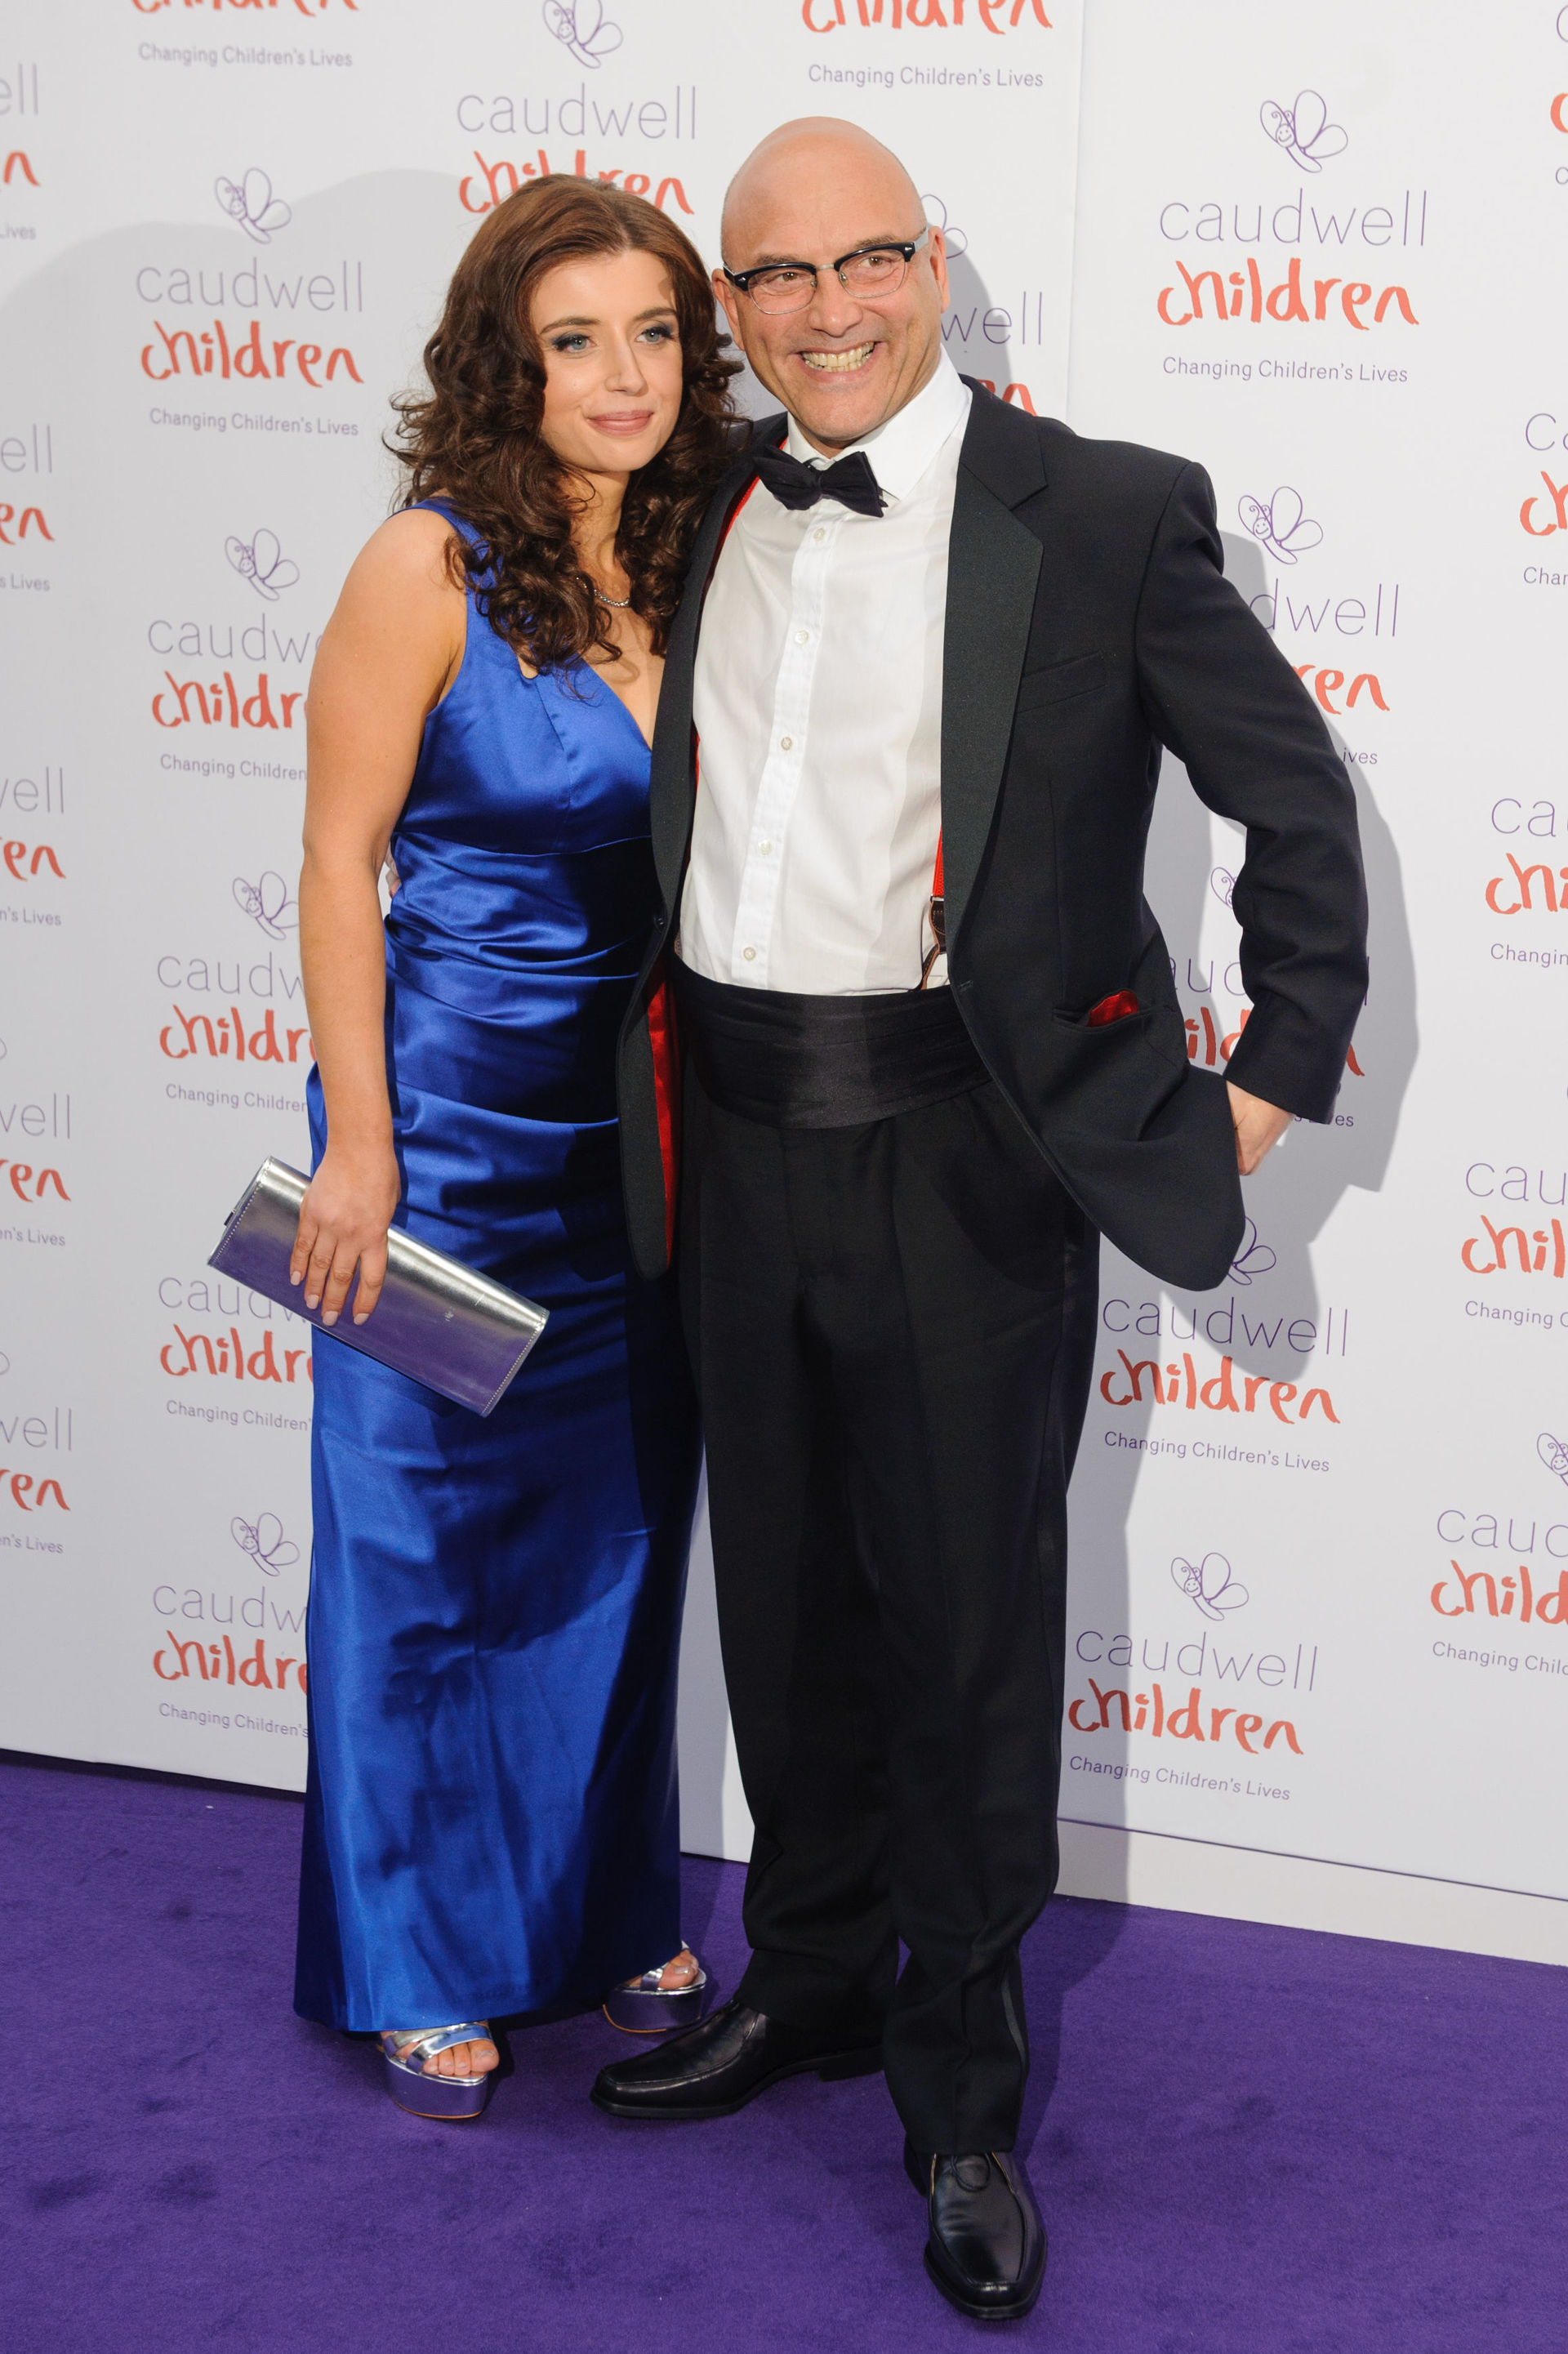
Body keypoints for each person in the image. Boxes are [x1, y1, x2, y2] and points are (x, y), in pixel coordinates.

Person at [591, 120, 1368, 2318]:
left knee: (963, 1622)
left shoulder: (1100, 508)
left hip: (965, 1150)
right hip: (730, 1135)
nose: (827, 310)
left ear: (936, 266)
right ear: (727, 307)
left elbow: (1290, 799)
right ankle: (810, 1976)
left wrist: (1277, 1078)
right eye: (775, 278)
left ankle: (959, 2070)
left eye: (868, 262)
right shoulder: (697, 499)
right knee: (791, 1617)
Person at [288, 176, 738, 2119]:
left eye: (654, 333)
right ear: (509, 360)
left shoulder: (716, 548)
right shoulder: (428, 563)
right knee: (415, 1558)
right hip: (445, 1139)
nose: (624, 376)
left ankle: (600, 1901)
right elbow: (334, 861)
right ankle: (410, 1951)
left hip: (641, 1147)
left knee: (617, 1550)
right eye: (578, 339)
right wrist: (361, 1146)